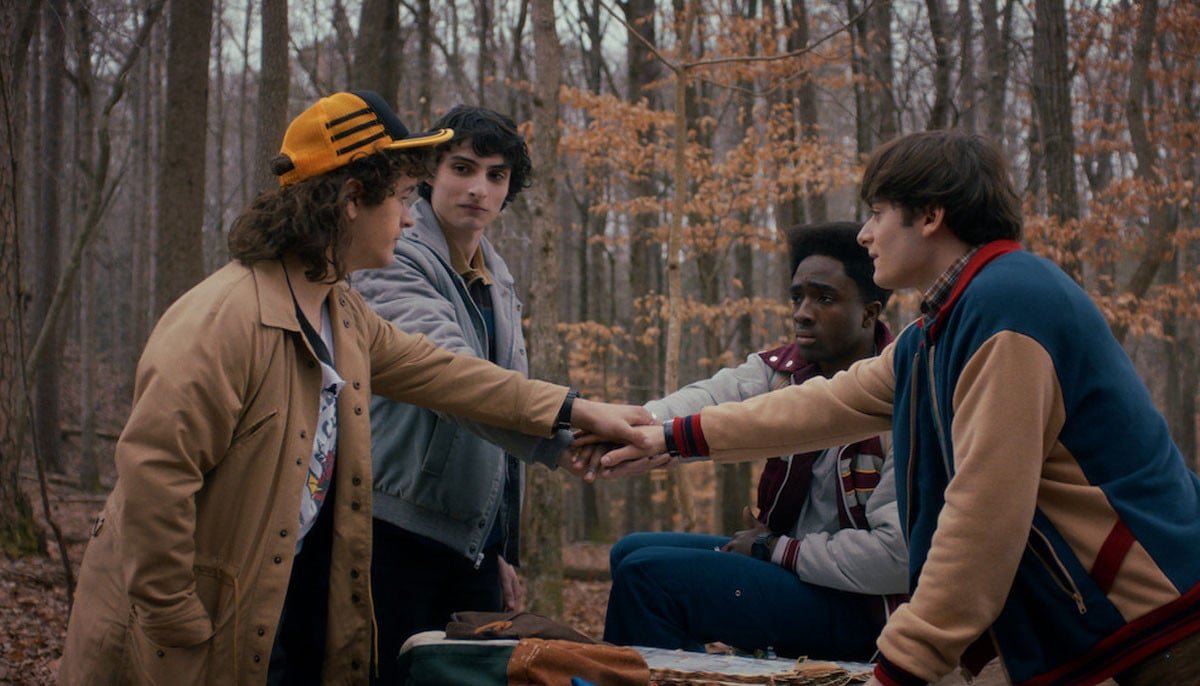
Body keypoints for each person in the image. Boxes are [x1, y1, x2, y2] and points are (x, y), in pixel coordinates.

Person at [57, 91, 650, 686]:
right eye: (400, 198)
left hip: (260, 606)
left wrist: (577, 410)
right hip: (181, 630)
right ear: (350, 200)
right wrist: (174, 615)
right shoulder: (224, 319)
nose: (410, 218)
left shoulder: (339, 311)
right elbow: (155, 473)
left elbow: (449, 375)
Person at [600, 130, 1200, 686]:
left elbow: (982, 515)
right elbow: (825, 404)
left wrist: (903, 666)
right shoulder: (937, 333)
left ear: (931, 216)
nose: (865, 234)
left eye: (878, 213)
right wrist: (668, 436)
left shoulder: (1010, 308)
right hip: (1111, 627)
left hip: (1164, 625)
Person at [602, 222, 907, 661]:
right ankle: (684, 670)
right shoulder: (783, 372)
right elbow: (707, 400)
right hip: (797, 572)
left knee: (647, 577)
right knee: (630, 551)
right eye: (797, 297)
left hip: (865, 609)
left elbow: (897, 558)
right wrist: (623, 429)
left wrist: (773, 548)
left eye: (824, 299)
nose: (802, 313)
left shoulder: (901, 400)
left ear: (868, 313)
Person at [351, 105, 562, 682]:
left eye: (496, 175)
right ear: (430, 174)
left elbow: (499, 427)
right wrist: (573, 430)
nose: (478, 189)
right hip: (393, 529)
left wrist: (497, 545)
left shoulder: (497, 276)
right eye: (463, 168)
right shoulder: (391, 255)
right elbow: (458, 380)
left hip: (468, 542)